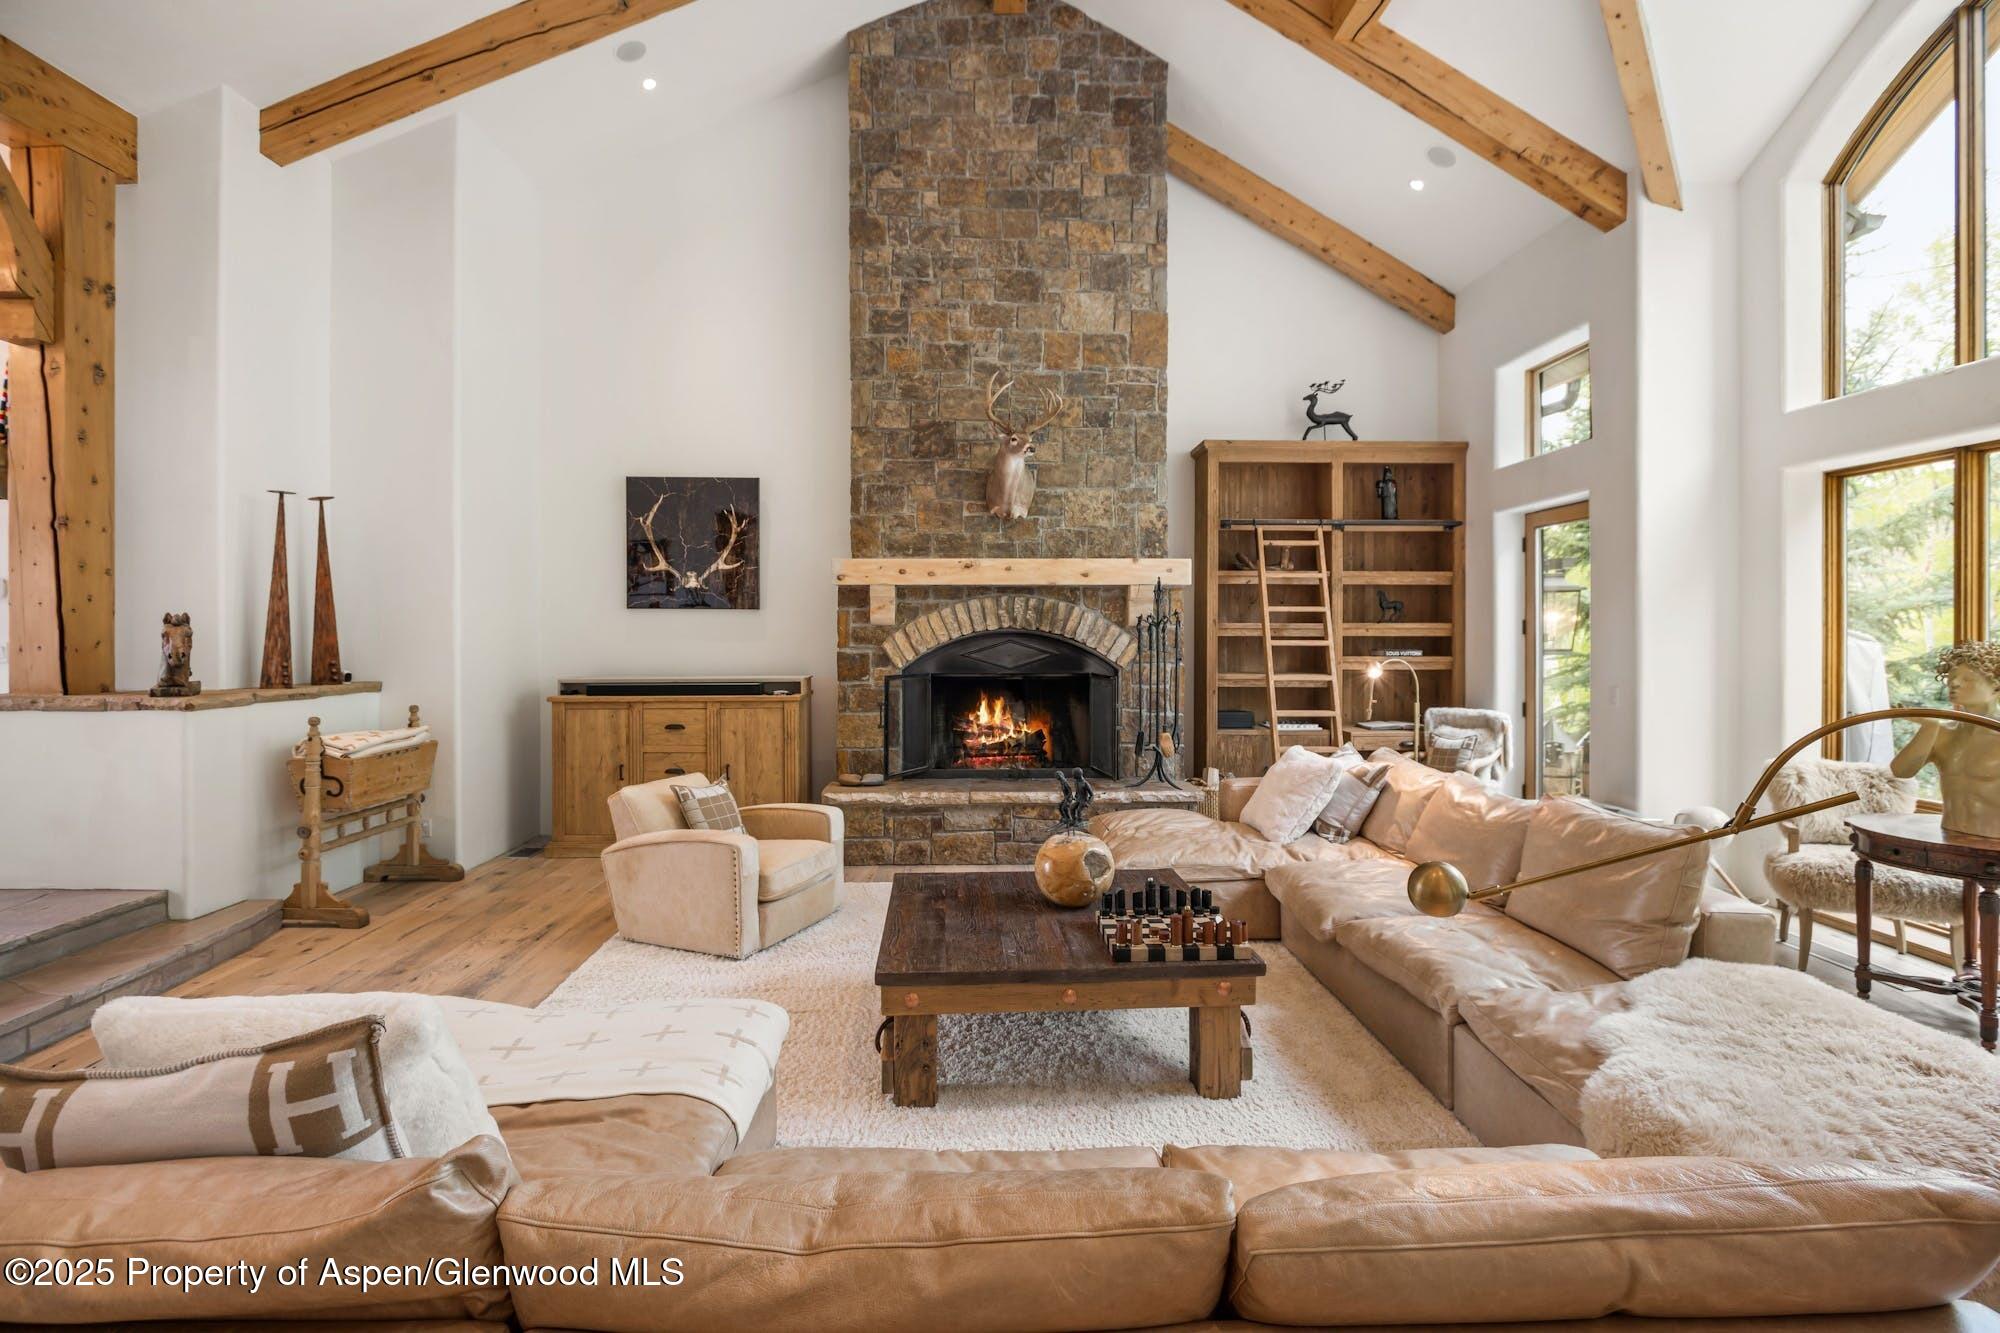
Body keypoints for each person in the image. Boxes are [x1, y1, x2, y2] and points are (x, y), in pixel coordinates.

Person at [1891, 641, 2000, 838]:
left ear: (1995, 687)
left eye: (1968, 679)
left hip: (1993, 844)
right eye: (1951, 678)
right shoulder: (1942, 732)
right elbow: (1900, 771)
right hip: (1949, 837)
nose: (1955, 683)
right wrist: (1929, 726)